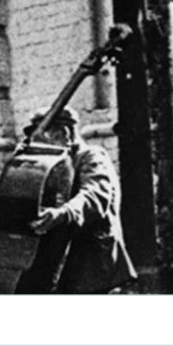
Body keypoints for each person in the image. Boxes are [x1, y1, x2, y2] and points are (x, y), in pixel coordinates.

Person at [25, 107, 137, 294]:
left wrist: (63, 213)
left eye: (44, 138)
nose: (38, 145)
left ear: (64, 134)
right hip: (63, 261)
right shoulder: (56, 164)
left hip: (91, 264)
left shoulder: (92, 157)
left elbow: (95, 194)